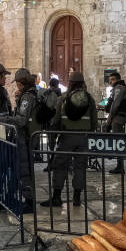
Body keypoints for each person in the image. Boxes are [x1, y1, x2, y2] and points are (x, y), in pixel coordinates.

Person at [41, 71, 97, 208]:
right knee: (80, 167)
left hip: (66, 137)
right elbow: (94, 122)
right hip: (83, 138)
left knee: (60, 166)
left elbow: (56, 120)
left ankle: (56, 197)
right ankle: (77, 198)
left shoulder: (64, 98)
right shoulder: (89, 99)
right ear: (83, 83)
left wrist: (54, 135)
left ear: (70, 83)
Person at [0, 68, 40, 214]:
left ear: (21, 83)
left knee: (24, 170)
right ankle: (9, 197)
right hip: (23, 138)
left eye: (17, 83)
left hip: (25, 138)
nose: (16, 86)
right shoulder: (27, 95)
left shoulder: (28, 97)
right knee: (18, 168)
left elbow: (21, 120)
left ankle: (29, 202)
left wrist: (1, 119)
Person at [105, 72, 126, 174]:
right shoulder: (119, 88)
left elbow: (115, 105)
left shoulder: (119, 87)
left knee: (118, 141)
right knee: (118, 140)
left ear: (117, 79)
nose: (110, 82)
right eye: (110, 80)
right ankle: (119, 164)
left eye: (112, 79)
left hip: (118, 118)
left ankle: (120, 166)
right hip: (119, 117)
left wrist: (109, 120)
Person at [40, 77, 63, 172]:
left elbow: (49, 107)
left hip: (51, 122)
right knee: (59, 143)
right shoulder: (60, 93)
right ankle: (56, 162)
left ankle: (51, 164)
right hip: (60, 122)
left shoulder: (50, 93)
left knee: (51, 145)